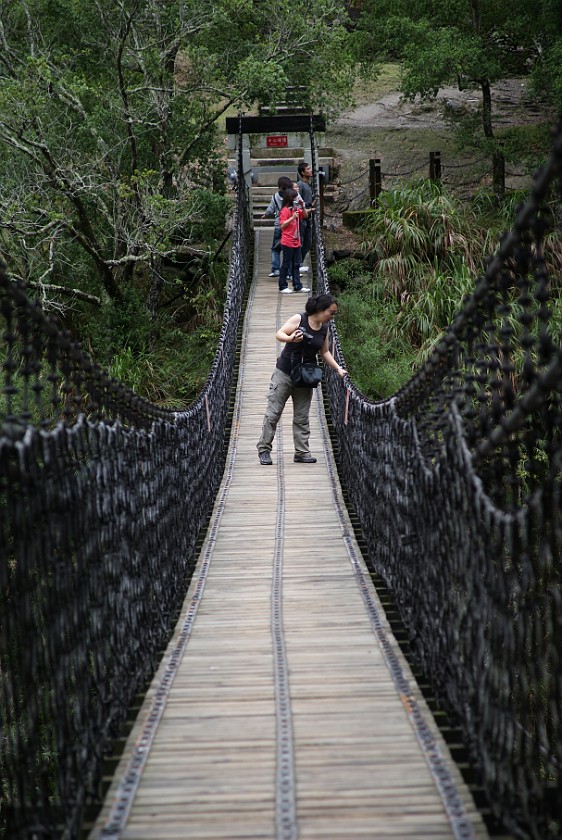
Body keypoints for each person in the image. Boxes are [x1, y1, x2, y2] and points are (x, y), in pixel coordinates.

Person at [257, 294, 346, 465]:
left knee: (302, 416)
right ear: (320, 309)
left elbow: (325, 352)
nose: (332, 316)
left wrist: (338, 368)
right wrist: (291, 339)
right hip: (284, 373)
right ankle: (264, 450)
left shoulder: (324, 328)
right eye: (331, 312)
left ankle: (302, 452)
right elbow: (280, 333)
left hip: (306, 376)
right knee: (273, 413)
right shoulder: (300, 319)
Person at [278, 188, 312, 294]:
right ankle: (283, 285)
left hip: (296, 241)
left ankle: (297, 285)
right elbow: (283, 225)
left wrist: (302, 206)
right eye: (295, 197)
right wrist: (292, 217)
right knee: (286, 264)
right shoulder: (285, 210)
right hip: (287, 241)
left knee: (297, 264)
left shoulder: (295, 209)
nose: (296, 199)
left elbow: (305, 215)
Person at [262, 176, 293, 277]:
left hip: (279, 225)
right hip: (289, 225)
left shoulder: (275, 196)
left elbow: (271, 208)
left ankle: (275, 270)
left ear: (279, 186)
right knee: (288, 249)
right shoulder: (291, 196)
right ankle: (289, 272)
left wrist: (266, 214)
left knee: (276, 249)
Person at [296, 162, 315, 272]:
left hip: (308, 217)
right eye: (308, 169)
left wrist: (310, 205)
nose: (310, 170)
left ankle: (299, 264)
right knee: (301, 241)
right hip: (302, 217)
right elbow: (298, 202)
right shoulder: (300, 185)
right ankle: (297, 265)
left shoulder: (308, 184)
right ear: (303, 172)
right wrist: (309, 208)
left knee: (308, 243)